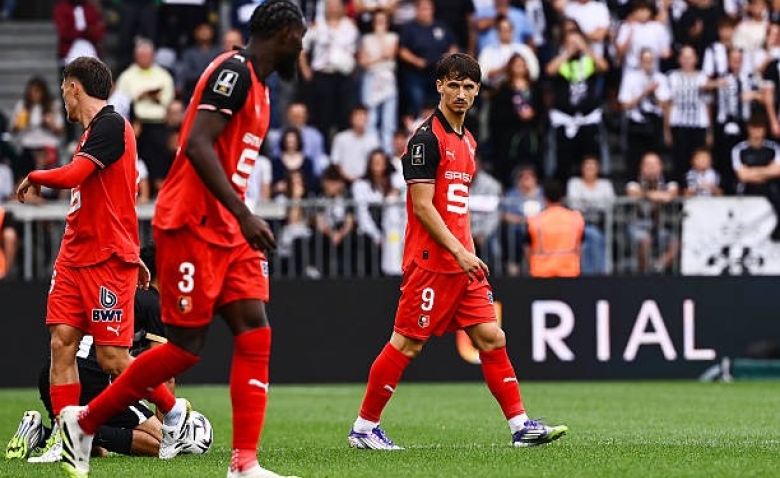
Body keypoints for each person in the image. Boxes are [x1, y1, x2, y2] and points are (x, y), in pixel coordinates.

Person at [57, 3, 307, 478]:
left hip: (227, 228)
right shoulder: (232, 72)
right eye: (300, 36)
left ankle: (244, 464)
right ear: (283, 33)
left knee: (256, 329)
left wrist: (238, 219)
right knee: (186, 349)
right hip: (191, 223)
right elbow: (195, 142)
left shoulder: (263, 88)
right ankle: (85, 423)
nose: (303, 46)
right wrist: (244, 213)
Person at [347, 53, 568, 451]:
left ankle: (520, 426)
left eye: (469, 86)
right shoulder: (424, 140)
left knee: (491, 336)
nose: (461, 93)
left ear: (478, 90)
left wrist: (467, 253)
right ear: (439, 86)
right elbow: (423, 206)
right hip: (432, 262)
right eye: (453, 84)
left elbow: (453, 205)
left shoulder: (468, 140)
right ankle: (364, 427)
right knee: (407, 343)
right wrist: (460, 251)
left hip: (463, 263)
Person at [15, 56, 180, 472]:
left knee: (111, 358)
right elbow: (112, 199)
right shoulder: (94, 133)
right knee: (61, 345)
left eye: (64, 90)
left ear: (74, 87)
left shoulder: (111, 124)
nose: (63, 100)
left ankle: (175, 414)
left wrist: (35, 173)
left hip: (106, 261)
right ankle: (66, 439)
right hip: (75, 258)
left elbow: (73, 176)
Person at [5, 243, 211, 462]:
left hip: (56, 375)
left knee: (97, 452)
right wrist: (170, 431)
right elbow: (163, 374)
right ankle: (68, 429)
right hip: (91, 378)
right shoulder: (153, 303)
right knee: (157, 443)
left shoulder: (119, 291)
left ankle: (44, 433)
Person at [526, 179, 585, 278]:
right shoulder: (575, 218)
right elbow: (580, 247)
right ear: (562, 197)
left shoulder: (535, 221)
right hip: (569, 272)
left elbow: (527, 248)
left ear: (544, 198)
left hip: (541, 273)